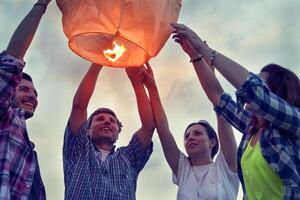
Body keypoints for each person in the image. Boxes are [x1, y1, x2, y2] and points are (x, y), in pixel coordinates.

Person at [172, 23, 300, 199]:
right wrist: (196, 56)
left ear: (277, 92)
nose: (250, 85)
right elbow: (217, 96)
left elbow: (255, 92)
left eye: (261, 83)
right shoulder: (252, 130)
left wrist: (206, 50)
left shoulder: (294, 124)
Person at [141, 60, 239, 199]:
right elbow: (163, 131)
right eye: (186, 136)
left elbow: (222, 115)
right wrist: (152, 87)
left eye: (197, 133)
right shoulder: (183, 168)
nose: (190, 138)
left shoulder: (226, 167)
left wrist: (209, 72)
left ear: (212, 142)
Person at [63, 63, 155, 200]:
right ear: (87, 130)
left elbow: (149, 126)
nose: (107, 122)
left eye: (112, 121)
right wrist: (98, 61)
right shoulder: (78, 148)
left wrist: (137, 83)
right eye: (100, 119)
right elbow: (79, 106)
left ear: (118, 133)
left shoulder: (129, 157)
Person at [0, 0, 51, 199]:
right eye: (24, 89)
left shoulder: (30, 154)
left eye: (35, 93)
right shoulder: (4, 118)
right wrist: (41, 5)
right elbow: (12, 59)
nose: (32, 96)